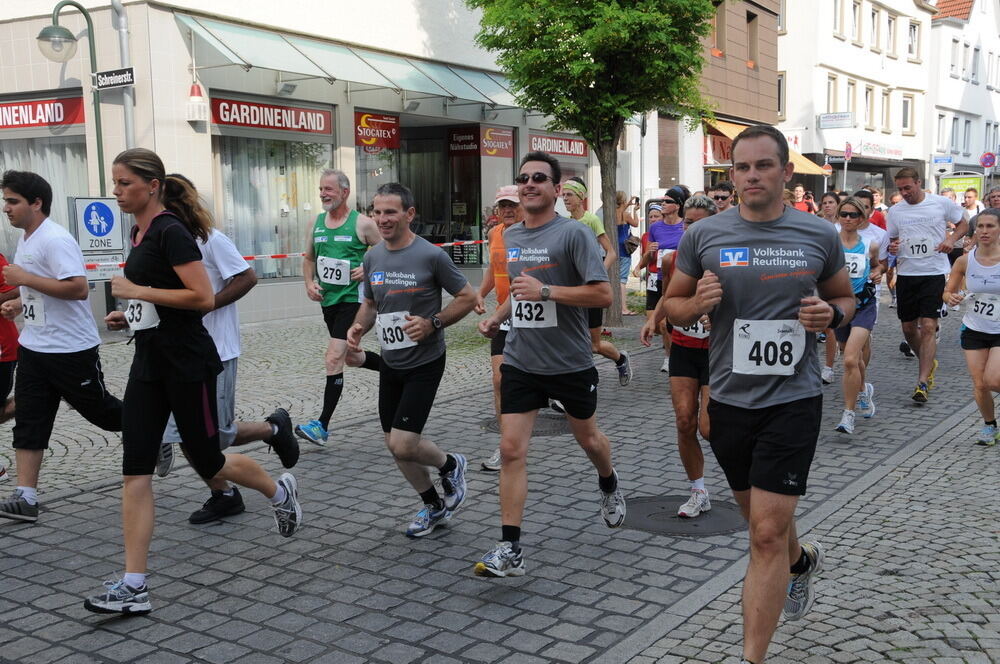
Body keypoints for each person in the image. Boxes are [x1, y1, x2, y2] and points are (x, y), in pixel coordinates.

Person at [664, 125, 854, 664]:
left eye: (763, 166)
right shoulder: (705, 236)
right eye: (740, 168)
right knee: (765, 526)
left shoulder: (818, 234)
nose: (750, 176)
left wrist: (831, 315)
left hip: (793, 401)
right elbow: (672, 307)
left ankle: (752, 657)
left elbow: (842, 297)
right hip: (728, 400)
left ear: (785, 172)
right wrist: (695, 302)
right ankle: (800, 563)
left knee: (765, 535)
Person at [84, 149, 302, 616]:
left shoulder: (171, 231)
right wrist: (131, 313)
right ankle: (134, 584)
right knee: (135, 470)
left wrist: (138, 291)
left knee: (208, 456)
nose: (117, 192)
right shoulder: (138, 231)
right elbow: (161, 300)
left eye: (125, 183)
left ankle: (278, 492)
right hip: (149, 365)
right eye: (115, 183)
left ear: (153, 185)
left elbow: (202, 297)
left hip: (188, 365)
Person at [475, 151, 626, 578]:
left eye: (539, 178)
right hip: (523, 360)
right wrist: (496, 317)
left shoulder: (575, 234)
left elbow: (602, 295)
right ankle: (511, 547)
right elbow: (520, 291)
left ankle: (609, 481)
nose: (529, 184)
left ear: (557, 189)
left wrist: (548, 292)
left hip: (570, 362)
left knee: (590, 440)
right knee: (510, 449)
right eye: (523, 178)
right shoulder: (511, 236)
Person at [155, 174, 300, 525]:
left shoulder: (209, 240)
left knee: (214, 436)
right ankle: (223, 494)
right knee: (190, 434)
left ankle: (273, 429)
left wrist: (208, 304)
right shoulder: (155, 240)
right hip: (174, 351)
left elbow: (247, 277)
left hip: (215, 351)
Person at [346, 182, 476, 538]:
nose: (383, 219)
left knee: (403, 442)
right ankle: (433, 506)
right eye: (377, 212)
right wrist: (358, 328)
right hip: (392, 362)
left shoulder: (431, 255)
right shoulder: (373, 257)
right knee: (395, 446)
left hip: (425, 361)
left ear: (409, 214)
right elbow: (371, 304)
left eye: (391, 212)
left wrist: (433, 323)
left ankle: (451, 465)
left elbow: (467, 297)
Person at [0, 171, 123, 524]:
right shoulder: (27, 239)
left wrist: (22, 280)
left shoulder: (55, 239)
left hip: (70, 349)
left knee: (103, 413)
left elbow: (77, 288)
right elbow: (42, 289)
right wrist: (20, 304)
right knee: (30, 419)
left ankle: (157, 429)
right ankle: (26, 497)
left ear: (36, 203)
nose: (6, 208)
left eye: (13, 201)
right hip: (35, 346)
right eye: (6, 200)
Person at [640, 194, 717, 517]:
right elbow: (668, 296)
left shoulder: (726, 258)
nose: (693, 228)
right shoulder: (675, 260)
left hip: (718, 352)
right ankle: (698, 490)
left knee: (708, 427)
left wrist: (718, 315)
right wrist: (652, 319)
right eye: (689, 222)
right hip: (684, 347)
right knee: (684, 420)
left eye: (700, 223)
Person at [296, 169, 382, 444]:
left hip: (353, 300)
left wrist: (366, 268)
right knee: (351, 358)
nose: (323, 194)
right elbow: (309, 258)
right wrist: (309, 283)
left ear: (344, 192)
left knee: (333, 356)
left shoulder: (363, 224)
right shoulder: (316, 222)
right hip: (329, 301)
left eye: (329, 189)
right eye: (321, 189)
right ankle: (397, 371)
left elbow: (386, 252)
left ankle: (321, 426)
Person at [887, 167, 966, 403]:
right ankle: (928, 360)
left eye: (908, 188)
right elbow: (893, 240)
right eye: (900, 189)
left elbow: (964, 223)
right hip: (907, 273)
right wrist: (893, 248)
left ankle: (922, 381)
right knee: (909, 328)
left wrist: (951, 239)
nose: (904, 193)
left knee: (929, 326)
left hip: (933, 272)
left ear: (918, 183)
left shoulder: (940, 203)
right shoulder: (895, 211)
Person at [561, 178, 632, 385]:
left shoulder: (591, 219)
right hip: (572, 289)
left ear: (581, 197)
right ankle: (572, 385)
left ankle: (621, 359)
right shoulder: (565, 223)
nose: (565, 198)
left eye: (569, 195)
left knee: (594, 345)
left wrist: (596, 274)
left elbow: (611, 252)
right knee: (569, 338)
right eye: (563, 194)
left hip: (590, 289)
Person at [944, 208, 1000, 446]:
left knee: (993, 379)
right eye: (981, 226)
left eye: (990, 226)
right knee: (979, 383)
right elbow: (948, 291)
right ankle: (990, 426)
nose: (984, 231)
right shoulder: (964, 260)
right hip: (974, 327)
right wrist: (950, 297)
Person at [476, 185, 521, 472]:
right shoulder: (495, 234)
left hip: (534, 315)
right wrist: (479, 294)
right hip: (504, 316)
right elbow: (494, 269)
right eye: (503, 205)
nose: (507, 210)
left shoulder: (533, 234)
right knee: (499, 380)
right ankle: (506, 445)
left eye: (512, 205)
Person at [833, 197, 882, 434]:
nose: (848, 219)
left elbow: (877, 265)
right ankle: (863, 389)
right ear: (838, 217)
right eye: (844, 214)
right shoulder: (831, 243)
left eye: (853, 215)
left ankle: (848, 415)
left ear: (862, 218)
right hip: (841, 307)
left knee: (851, 359)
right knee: (851, 356)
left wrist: (877, 273)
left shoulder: (870, 243)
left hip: (863, 305)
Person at [634, 186, 690, 372]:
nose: (663, 204)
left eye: (667, 201)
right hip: (658, 278)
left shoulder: (685, 226)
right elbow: (648, 256)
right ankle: (669, 355)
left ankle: (674, 357)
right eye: (662, 201)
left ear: (677, 205)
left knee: (671, 323)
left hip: (678, 279)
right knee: (660, 324)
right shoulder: (656, 227)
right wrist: (646, 257)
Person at [817, 192, 842, 383]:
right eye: (824, 203)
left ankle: (828, 367)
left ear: (838, 205)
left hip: (836, 277)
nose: (827, 206)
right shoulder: (815, 225)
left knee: (829, 324)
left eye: (831, 202)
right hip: (817, 277)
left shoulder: (844, 226)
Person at [616, 191, 640, 315]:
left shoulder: (612, 214)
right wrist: (635, 211)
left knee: (614, 279)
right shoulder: (625, 214)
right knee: (622, 280)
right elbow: (636, 224)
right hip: (625, 249)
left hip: (615, 248)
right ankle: (624, 308)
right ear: (624, 201)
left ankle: (615, 307)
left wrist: (628, 205)